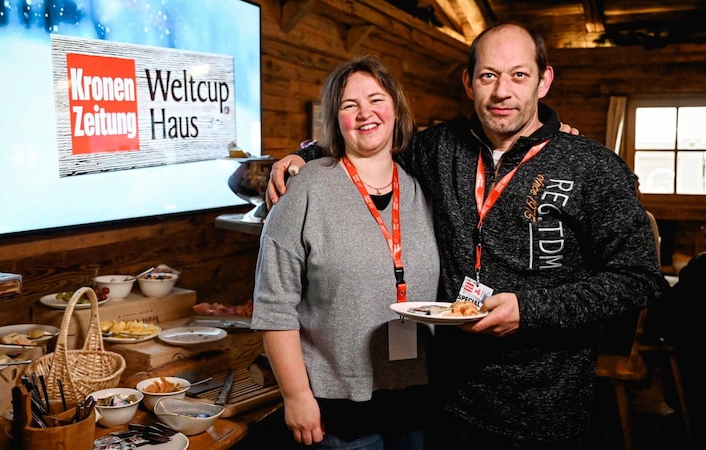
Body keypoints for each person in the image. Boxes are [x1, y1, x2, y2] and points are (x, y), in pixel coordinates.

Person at [266, 21, 666, 449]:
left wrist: (530, 310)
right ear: (469, 83)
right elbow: (372, 138)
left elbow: (640, 278)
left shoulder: (592, 166)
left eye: (519, 74)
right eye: (488, 76)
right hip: (447, 406)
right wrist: (302, 155)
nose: (502, 91)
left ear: (544, 81)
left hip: (547, 413)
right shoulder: (440, 148)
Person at [251, 55, 440, 449]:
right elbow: (274, 305)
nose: (365, 113)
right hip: (336, 410)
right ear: (335, 120)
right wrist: (296, 396)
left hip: (418, 402)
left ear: (396, 109)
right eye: (349, 106)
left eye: (376, 100)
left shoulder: (423, 188)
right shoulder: (304, 190)